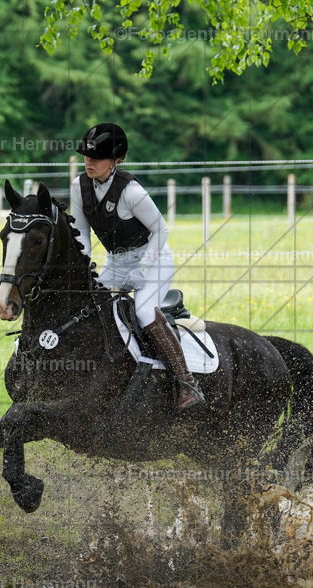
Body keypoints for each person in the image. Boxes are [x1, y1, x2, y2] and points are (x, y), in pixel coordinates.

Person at [70, 122, 204, 411]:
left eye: (97, 157)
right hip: (116, 263)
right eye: (86, 156)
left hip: (153, 260)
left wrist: (142, 271)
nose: (89, 162)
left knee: (144, 312)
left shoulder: (131, 192)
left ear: (116, 160)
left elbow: (162, 231)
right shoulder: (79, 187)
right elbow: (81, 235)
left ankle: (186, 383)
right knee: (88, 307)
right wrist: (82, 270)